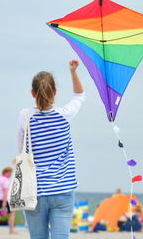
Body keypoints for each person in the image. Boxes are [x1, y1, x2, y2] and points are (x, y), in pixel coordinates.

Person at [17, 60, 84, 238]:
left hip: (34, 191)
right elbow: (79, 95)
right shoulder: (65, 115)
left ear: (33, 93)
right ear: (55, 92)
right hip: (63, 190)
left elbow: (21, 149)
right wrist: (73, 71)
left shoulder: (25, 116)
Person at [0, 167, 16, 235]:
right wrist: (4, 202)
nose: (10, 175)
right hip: (4, 200)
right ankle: (11, 230)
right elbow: (6, 192)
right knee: (12, 214)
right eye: (10, 173)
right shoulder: (5, 180)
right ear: (6, 172)